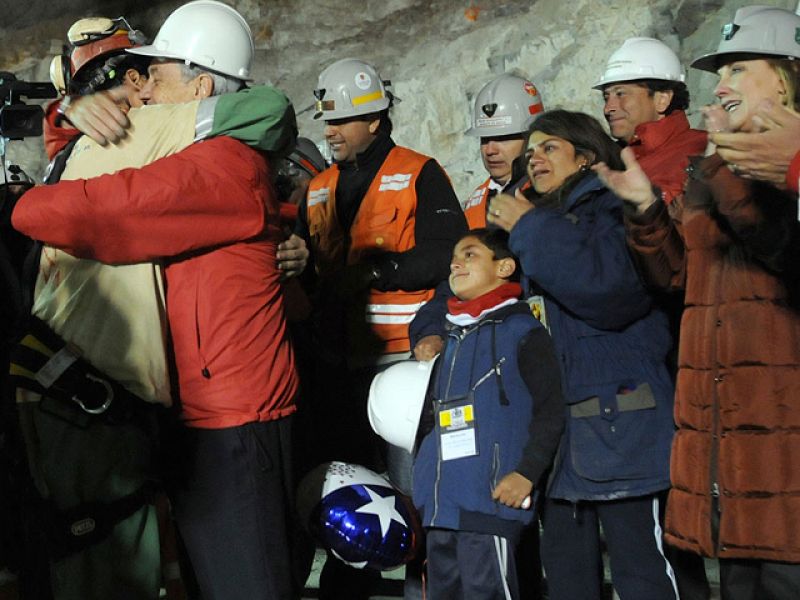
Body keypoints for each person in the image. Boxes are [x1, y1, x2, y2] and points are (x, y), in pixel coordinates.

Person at [12, 2, 300, 598]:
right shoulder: (202, 155)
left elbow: (111, 210)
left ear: (200, 86)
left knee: (246, 583)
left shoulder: (220, 164)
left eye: (158, 76)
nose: (140, 95)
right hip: (201, 410)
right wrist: (73, 112)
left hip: (235, 424)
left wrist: (19, 211)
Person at [601, 6, 800, 598]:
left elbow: (782, 250)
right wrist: (646, 213)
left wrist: (728, 167)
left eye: (740, 69)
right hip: (729, 432)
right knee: (739, 578)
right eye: (721, 72)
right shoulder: (717, 167)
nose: (722, 85)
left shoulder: (762, 171)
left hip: (783, 433)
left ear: (787, 77)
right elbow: (682, 280)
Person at [488, 110, 678, 600]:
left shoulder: (612, 209)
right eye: (530, 151)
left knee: (642, 575)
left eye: (550, 147)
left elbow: (611, 294)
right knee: (568, 580)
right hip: (563, 438)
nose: (535, 158)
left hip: (622, 424)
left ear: (587, 156)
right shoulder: (539, 224)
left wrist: (529, 227)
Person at [296, 57, 467, 599]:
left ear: (375, 120)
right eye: (326, 121)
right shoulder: (318, 188)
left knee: (412, 497)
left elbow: (448, 252)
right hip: (337, 368)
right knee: (348, 499)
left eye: (342, 121)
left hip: (400, 366)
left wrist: (378, 270)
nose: (331, 132)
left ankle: (426, 591)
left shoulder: (420, 172)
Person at [595, 35, 712, 599]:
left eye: (622, 93)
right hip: (642, 350)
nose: (610, 105)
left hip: (678, 344)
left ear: (662, 97)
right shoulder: (624, 160)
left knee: (678, 503)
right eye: (607, 95)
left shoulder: (695, 154)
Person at [412, 228, 563, 599]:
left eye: (470, 254)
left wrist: (527, 473)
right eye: (453, 257)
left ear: (505, 266)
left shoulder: (522, 331)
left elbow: (551, 407)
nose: (456, 263)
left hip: (488, 505)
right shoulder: (451, 338)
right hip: (440, 509)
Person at [461, 73, 543, 229]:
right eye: (484, 139)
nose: (490, 150)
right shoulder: (475, 202)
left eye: (503, 138)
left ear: (532, 137)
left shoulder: (550, 190)